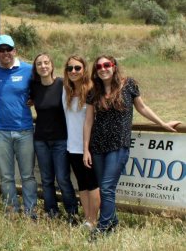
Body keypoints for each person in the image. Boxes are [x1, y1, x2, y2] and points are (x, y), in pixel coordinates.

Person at [83, 55, 181, 238]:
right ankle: (112, 222)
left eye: (107, 65)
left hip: (118, 145)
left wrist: (163, 123)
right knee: (105, 188)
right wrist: (86, 149)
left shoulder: (128, 85)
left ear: (114, 66)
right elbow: (88, 122)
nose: (103, 69)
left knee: (106, 187)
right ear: (96, 71)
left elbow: (142, 108)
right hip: (97, 146)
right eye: (99, 66)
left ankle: (103, 228)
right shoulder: (93, 91)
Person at [0, 35, 37, 218]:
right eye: (1, 50)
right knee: (6, 176)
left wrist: (34, 98)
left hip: (24, 130)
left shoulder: (29, 70)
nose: (5, 53)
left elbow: (42, 88)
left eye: (9, 49)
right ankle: (12, 211)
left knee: (27, 175)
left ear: (15, 50)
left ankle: (31, 212)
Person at [30, 53, 78, 222]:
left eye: (46, 63)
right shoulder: (34, 87)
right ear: (35, 68)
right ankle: (51, 212)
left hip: (60, 139)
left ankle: (72, 213)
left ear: (51, 65)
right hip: (41, 140)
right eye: (39, 64)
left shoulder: (62, 84)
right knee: (46, 179)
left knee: (63, 178)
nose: (43, 66)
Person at [62, 55, 100, 229]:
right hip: (72, 146)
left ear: (84, 69)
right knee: (82, 185)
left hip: (89, 147)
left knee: (93, 184)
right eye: (70, 68)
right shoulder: (66, 91)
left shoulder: (92, 90)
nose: (73, 71)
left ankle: (94, 219)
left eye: (77, 68)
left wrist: (88, 148)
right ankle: (87, 218)